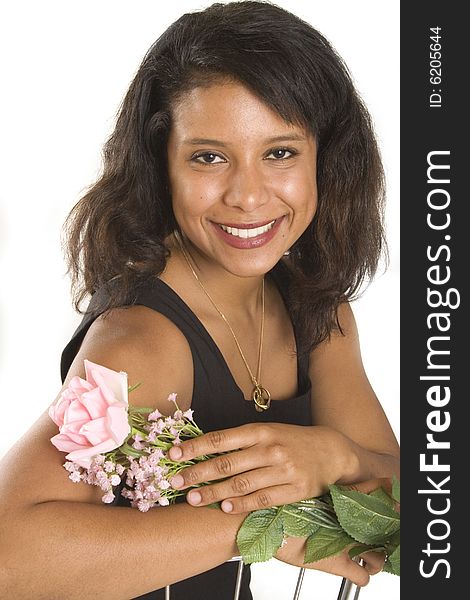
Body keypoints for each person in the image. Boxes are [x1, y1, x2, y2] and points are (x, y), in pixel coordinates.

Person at [0, 1, 399, 598]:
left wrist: (339, 459)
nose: (247, 195)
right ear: (163, 165)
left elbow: (416, 516)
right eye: (209, 157)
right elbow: (10, 558)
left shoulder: (320, 316)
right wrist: (261, 520)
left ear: (328, 159)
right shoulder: (143, 342)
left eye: (280, 152)